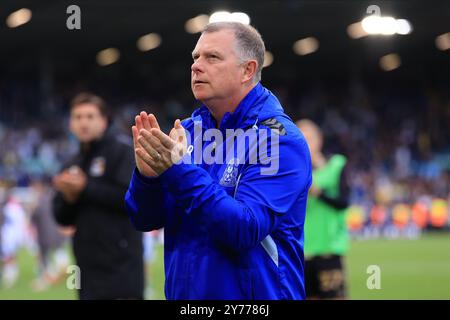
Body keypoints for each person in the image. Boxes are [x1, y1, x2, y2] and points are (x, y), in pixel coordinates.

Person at [125, 22, 312, 299]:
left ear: (247, 70)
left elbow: (243, 229)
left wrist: (176, 170)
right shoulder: (187, 131)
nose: (196, 66)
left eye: (212, 57)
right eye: (195, 57)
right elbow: (144, 218)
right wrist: (148, 179)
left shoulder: (279, 140)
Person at [52, 93, 144, 300]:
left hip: (121, 266)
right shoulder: (71, 162)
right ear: (70, 124)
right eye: (78, 117)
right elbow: (61, 217)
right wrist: (69, 197)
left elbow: (131, 199)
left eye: (90, 116)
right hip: (86, 268)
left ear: (104, 121)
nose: (83, 123)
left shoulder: (123, 152)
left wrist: (86, 188)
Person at [296, 119, 350, 299]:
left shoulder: (336, 165)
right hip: (301, 253)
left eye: (309, 138)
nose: (305, 143)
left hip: (328, 251)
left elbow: (343, 202)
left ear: (319, 140)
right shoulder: (292, 173)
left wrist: (318, 193)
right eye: (300, 138)